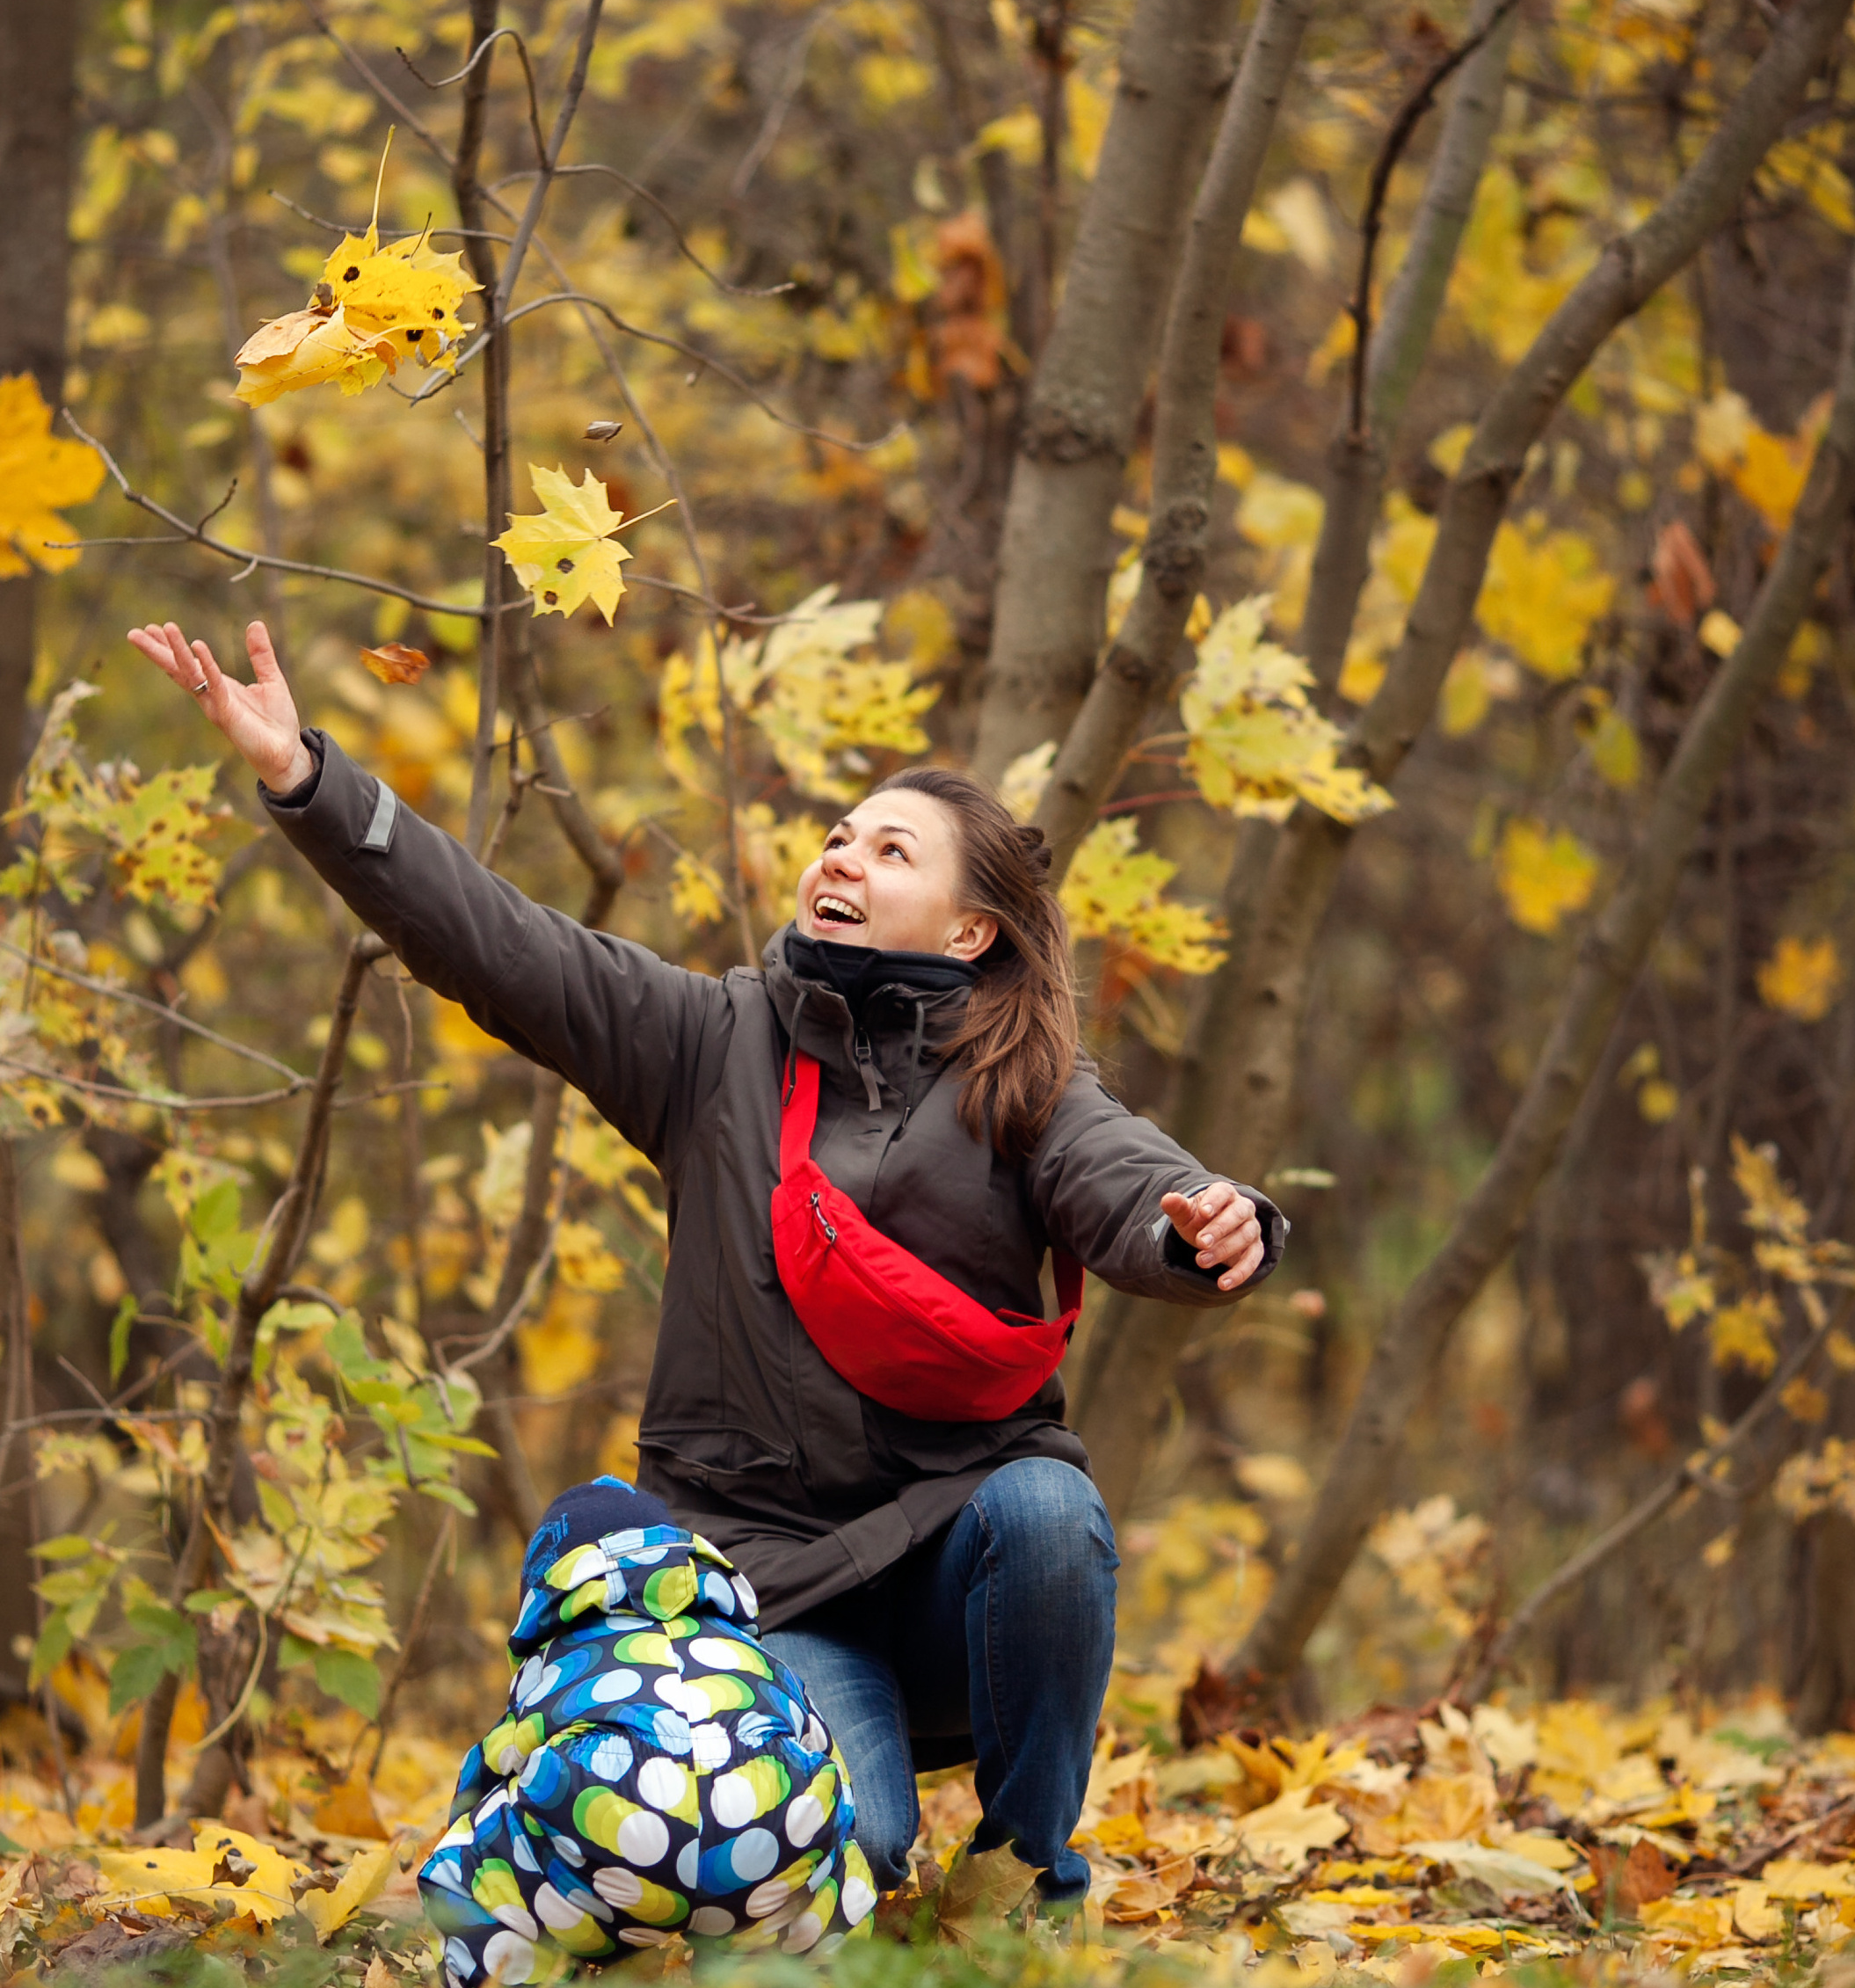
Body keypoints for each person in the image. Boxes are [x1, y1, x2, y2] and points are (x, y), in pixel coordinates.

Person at [128, 615, 1286, 1915]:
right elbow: (500, 942)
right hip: (770, 1576)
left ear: (969, 933)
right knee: (847, 1854)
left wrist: (1203, 1220)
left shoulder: (1025, 1084)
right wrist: (308, 781)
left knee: (1050, 1511)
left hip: (961, 1565)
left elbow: (1126, 1174)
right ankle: (858, 1811)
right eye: (840, 835)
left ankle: (1028, 1885)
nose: (842, 855)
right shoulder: (708, 1042)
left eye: (891, 848)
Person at [417, 1475, 875, 1988]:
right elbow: (823, 1747)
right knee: (836, 1866)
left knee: (462, 1874)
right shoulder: (748, 1654)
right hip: (767, 1835)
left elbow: (494, 1763)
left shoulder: (560, 1658)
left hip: (612, 1819)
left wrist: (470, 1822)